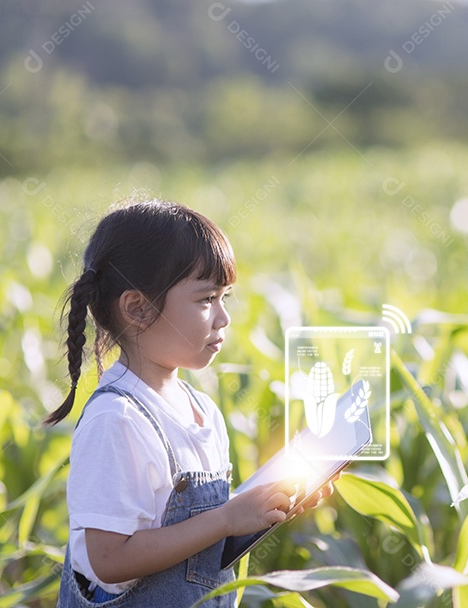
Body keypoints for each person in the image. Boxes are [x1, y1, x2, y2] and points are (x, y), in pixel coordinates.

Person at [46, 200, 329, 606]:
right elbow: (108, 559)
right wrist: (227, 518)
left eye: (224, 297)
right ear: (138, 308)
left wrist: (267, 506)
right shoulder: (117, 420)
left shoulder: (201, 410)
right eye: (205, 300)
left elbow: (198, 539)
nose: (223, 318)